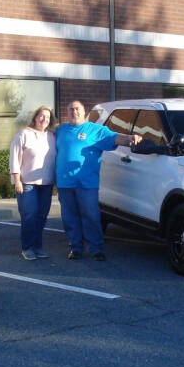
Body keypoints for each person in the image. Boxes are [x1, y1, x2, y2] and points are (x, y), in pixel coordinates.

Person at [55, 100, 141, 261]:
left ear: (84, 111)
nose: (74, 112)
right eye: (71, 109)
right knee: (69, 217)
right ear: (67, 112)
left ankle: (96, 249)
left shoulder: (94, 130)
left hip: (87, 184)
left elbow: (114, 137)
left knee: (91, 216)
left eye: (77, 109)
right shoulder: (61, 131)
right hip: (65, 183)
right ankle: (75, 248)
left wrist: (130, 138)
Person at [9, 106, 57, 260]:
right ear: (35, 117)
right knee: (29, 216)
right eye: (42, 116)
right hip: (27, 183)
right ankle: (27, 248)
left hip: (46, 183)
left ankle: (38, 246)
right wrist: (17, 181)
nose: (44, 119)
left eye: (48, 117)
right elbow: (14, 159)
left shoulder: (52, 136)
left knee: (41, 216)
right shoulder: (23, 134)